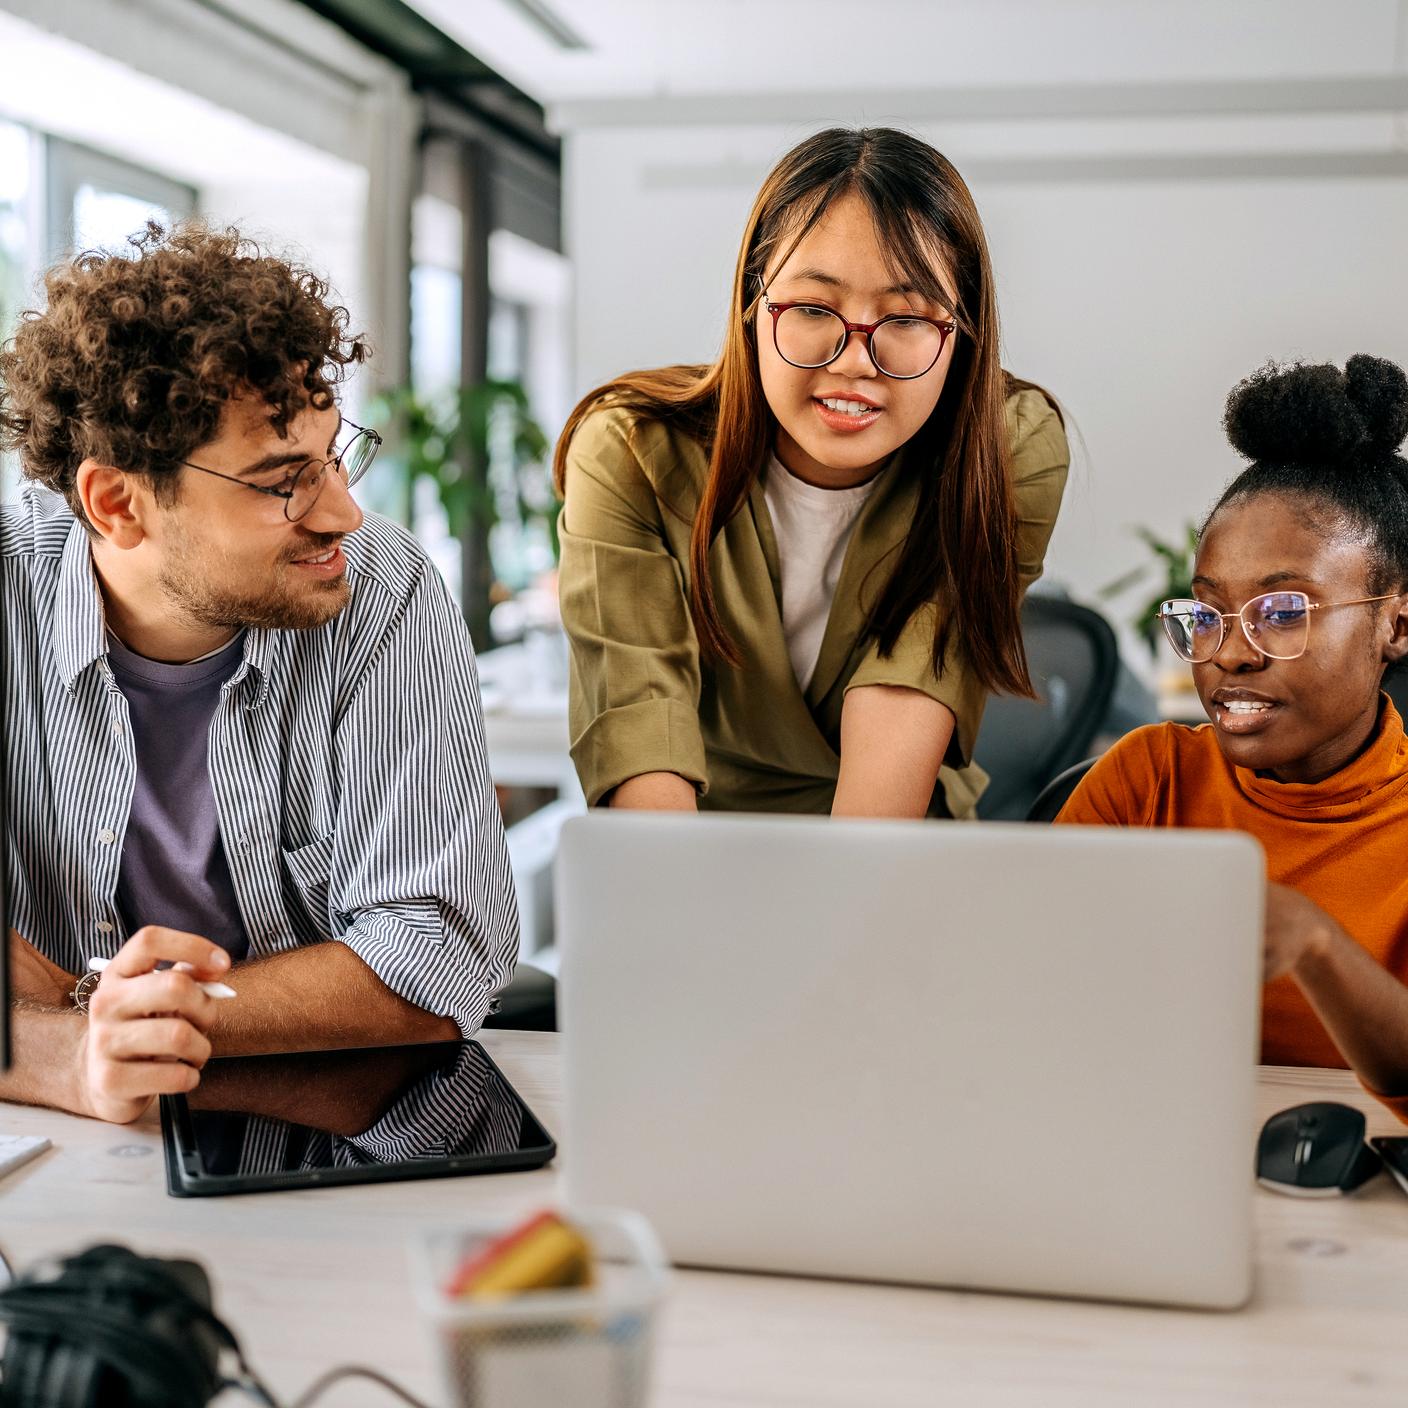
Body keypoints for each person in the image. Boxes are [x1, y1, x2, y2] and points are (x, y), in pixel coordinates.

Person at [0, 223, 518, 1125]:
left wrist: (132, 1017)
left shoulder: (382, 595)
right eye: (285, 481)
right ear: (117, 504)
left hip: (331, 1130)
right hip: (48, 1138)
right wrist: (64, 1058)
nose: (344, 514)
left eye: (334, 457)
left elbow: (442, 958)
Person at [555, 127, 1069, 820]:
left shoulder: (1007, 448)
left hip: (893, 847)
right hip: (699, 846)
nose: (854, 359)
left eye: (908, 317)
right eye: (810, 308)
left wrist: (831, 920)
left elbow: (907, 692)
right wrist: (676, 912)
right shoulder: (631, 447)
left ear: (963, 330)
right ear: (752, 305)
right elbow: (639, 723)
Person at [1058, 355, 1408, 1120]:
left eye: (1284, 611)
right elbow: (1027, 981)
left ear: (1396, 623)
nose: (1229, 652)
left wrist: (1317, 944)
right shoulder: (1148, 778)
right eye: (1208, 614)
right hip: (1150, 1137)